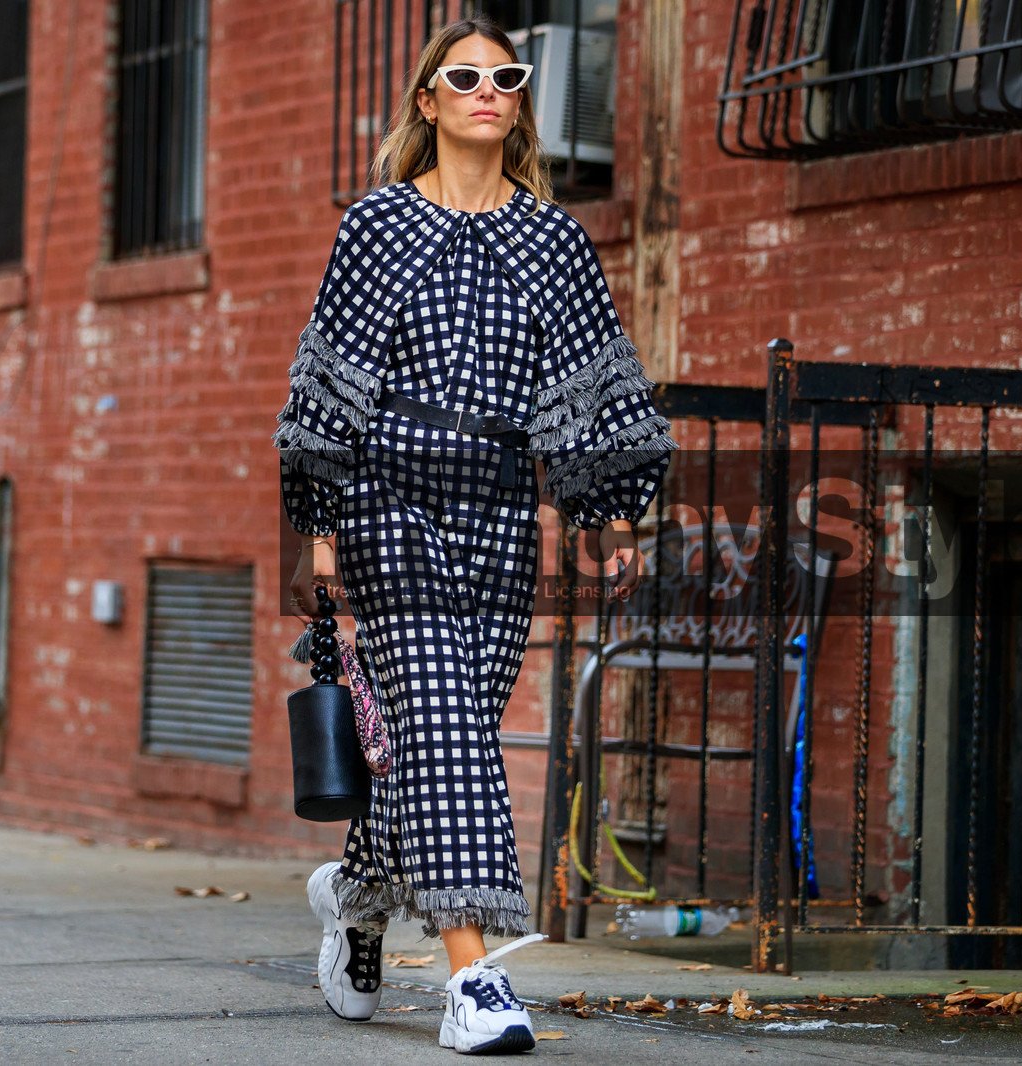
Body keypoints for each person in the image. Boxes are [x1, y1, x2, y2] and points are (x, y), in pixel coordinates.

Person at [274, 14, 674, 1055]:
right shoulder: (375, 228)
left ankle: (355, 900)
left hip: (500, 507)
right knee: (446, 720)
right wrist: (317, 525)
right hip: (384, 497)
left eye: (506, 75)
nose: (487, 89)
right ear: (428, 100)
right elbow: (327, 381)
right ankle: (472, 982)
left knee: (438, 742)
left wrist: (608, 512)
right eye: (464, 76)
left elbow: (592, 384)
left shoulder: (552, 239)